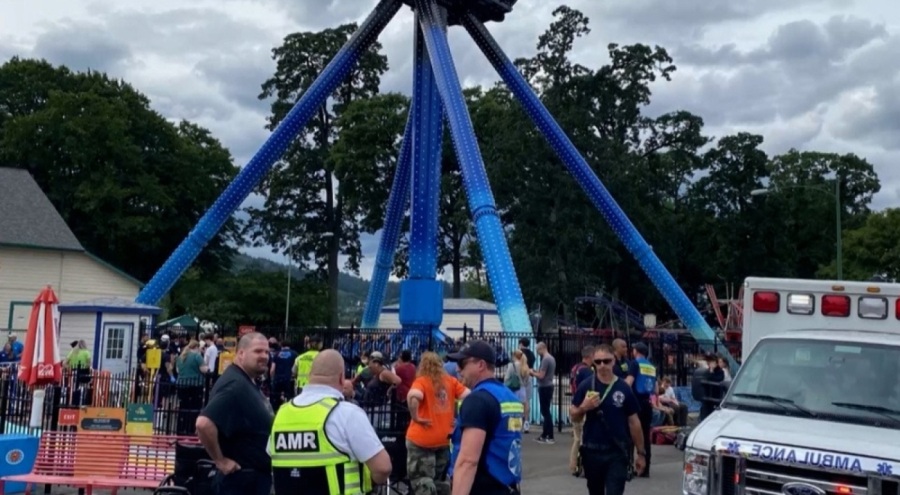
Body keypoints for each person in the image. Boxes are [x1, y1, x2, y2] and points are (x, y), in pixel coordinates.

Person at [270, 349, 392, 494]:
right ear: (342, 378)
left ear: (309, 376)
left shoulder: (282, 414)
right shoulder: (346, 413)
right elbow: (382, 468)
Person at [196, 333, 274, 495]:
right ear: (241, 354)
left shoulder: (246, 381)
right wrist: (220, 461)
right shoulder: (235, 385)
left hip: (252, 481)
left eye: (266, 352)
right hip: (240, 483)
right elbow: (203, 424)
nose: (264, 356)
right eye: (258, 351)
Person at [447, 341, 523, 495]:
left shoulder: (477, 400)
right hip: (507, 485)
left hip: (483, 486)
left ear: (480, 365)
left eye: (462, 363)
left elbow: (468, 461)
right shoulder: (508, 396)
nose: (458, 369)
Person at [570, 344, 646, 495]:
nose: (602, 365)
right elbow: (573, 414)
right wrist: (584, 407)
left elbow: (634, 422)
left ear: (613, 361)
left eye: (606, 361)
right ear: (594, 363)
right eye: (598, 362)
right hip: (592, 451)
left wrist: (641, 453)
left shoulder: (623, 388)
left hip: (617, 451)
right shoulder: (586, 385)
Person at [406, 351, 470, 495]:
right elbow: (468, 395)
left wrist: (415, 416)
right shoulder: (450, 381)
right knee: (440, 481)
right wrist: (460, 418)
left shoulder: (422, 381)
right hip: (443, 439)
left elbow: (414, 396)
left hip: (421, 438)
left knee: (422, 479)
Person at [629, 342, 656, 477]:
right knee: (645, 435)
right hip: (647, 402)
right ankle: (646, 468)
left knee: (631, 434)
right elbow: (655, 389)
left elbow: (629, 382)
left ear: (635, 351)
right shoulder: (651, 366)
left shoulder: (635, 364)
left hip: (635, 401)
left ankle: (628, 466)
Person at [569, 345, 594, 476]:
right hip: (583, 406)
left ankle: (573, 465)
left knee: (577, 438)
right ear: (590, 356)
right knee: (583, 438)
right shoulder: (587, 372)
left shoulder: (575, 368)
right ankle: (582, 465)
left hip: (574, 403)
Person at [529, 342, 555, 444]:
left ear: (542, 348)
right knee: (546, 411)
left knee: (545, 412)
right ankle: (545, 434)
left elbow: (541, 376)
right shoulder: (551, 358)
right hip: (548, 385)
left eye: (537, 350)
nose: (537, 353)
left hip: (545, 387)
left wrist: (532, 373)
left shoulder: (545, 359)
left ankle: (549, 435)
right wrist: (536, 371)